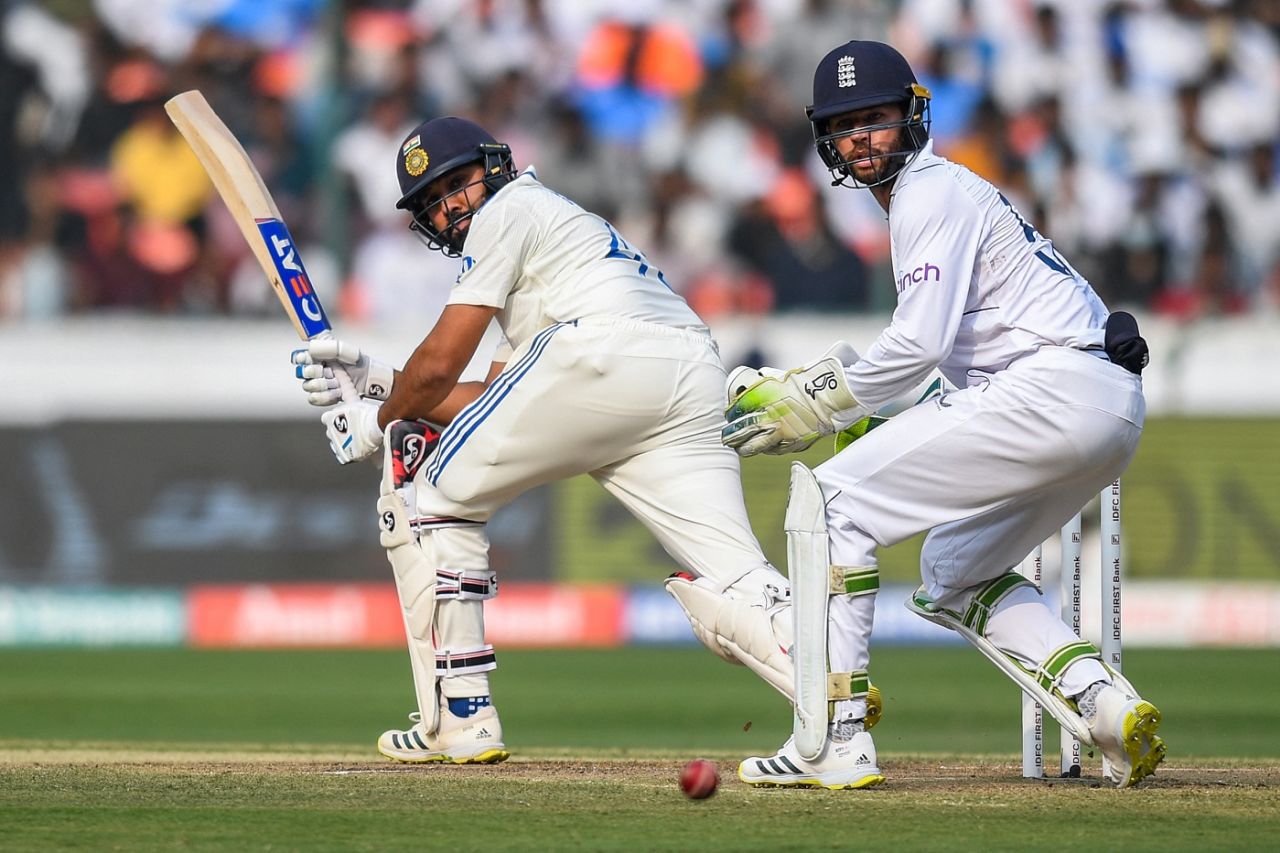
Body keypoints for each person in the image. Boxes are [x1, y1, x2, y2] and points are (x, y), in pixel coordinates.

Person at [291, 116, 884, 786]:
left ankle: (459, 717)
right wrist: (375, 380)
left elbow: (443, 359)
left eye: (457, 183)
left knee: (427, 489)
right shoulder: (555, 225)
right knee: (737, 574)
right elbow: (488, 392)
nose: (451, 203)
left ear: (494, 167)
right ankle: (837, 724)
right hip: (687, 368)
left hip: (599, 353)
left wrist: (377, 421)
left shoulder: (506, 211)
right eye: (433, 199)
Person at [722, 40, 1165, 789]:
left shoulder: (929, 193)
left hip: (1051, 389)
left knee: (829, 504)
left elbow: (918, 344)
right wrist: (856, 412)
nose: (861, 136)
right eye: (844, 123)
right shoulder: (946, 198)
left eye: (877, 118)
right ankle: (1103, 704)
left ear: (912, 117)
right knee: (953, 569)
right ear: (825, 138)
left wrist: (816, 402)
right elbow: (953, 376)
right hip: (1101, 406)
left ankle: (834, 736)